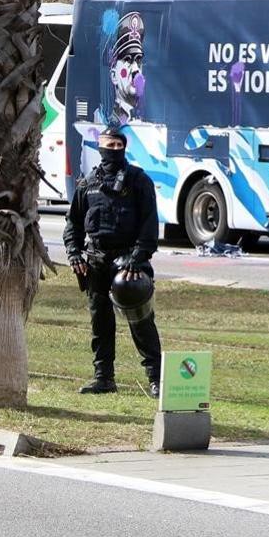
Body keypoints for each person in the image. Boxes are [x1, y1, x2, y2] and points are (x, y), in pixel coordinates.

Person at [62, 125, 162, 397]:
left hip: (128, 264)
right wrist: (74, 253)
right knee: (100, 322)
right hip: (96, 262)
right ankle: (103, 377)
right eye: (109, 146)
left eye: (119, 146)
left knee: (140, 322)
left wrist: (137, 258)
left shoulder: (138, 181)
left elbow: (150, 227)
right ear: (100, 147)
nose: (114, 151)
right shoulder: (87, 184)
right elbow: (73, 224)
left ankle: (157, 379)